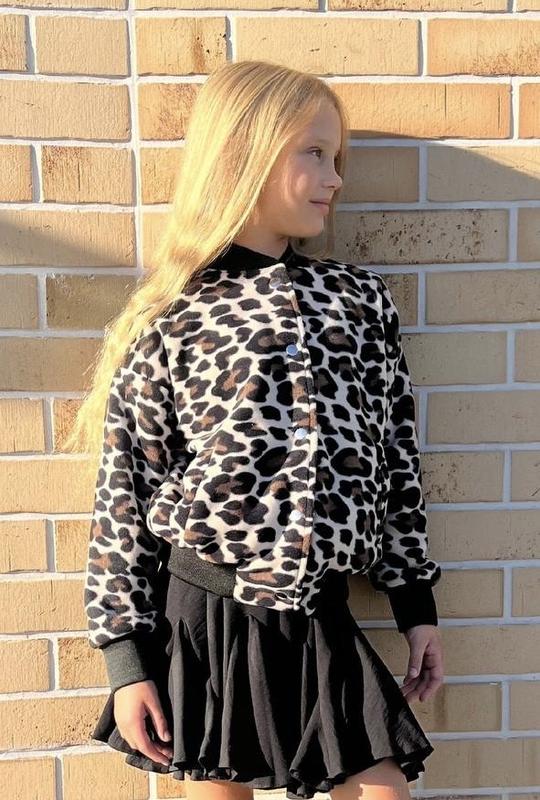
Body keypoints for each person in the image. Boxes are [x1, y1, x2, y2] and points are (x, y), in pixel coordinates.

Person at [65, 59, 444, 800]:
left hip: (321, 610)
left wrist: (415, 608)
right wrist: (126, 661)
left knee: (382, 789)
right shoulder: (175, 316)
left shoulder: (357, 302)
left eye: (336, 157)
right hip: (204, 613)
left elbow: (397, 461)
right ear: (246, 153)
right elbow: (125, 495)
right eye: (314, 153)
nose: (335, 178)